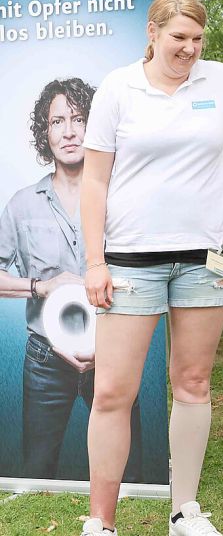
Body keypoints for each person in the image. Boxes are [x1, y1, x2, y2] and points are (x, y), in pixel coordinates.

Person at [79, 0, 223, 536]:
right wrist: (95, 262)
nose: (189, 49)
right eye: (178, 38)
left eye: (197, 39)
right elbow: (94, 180)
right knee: (111, 392)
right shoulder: (117, 88)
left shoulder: (218, 79)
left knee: (193, 383)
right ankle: (100, 521)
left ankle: (184, 512)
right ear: (152, 33)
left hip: (206, 257)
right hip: (129, 261)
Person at [0, 79, 143, 481]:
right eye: (57, 121)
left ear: (94, 125)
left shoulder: (121, 196)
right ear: (44, 134)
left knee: (131, 470)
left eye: (79, 119)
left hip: (114, 350)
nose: (69, 131)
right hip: (46, 359)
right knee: (37, 470)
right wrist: (37, 286)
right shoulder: (22, 203)